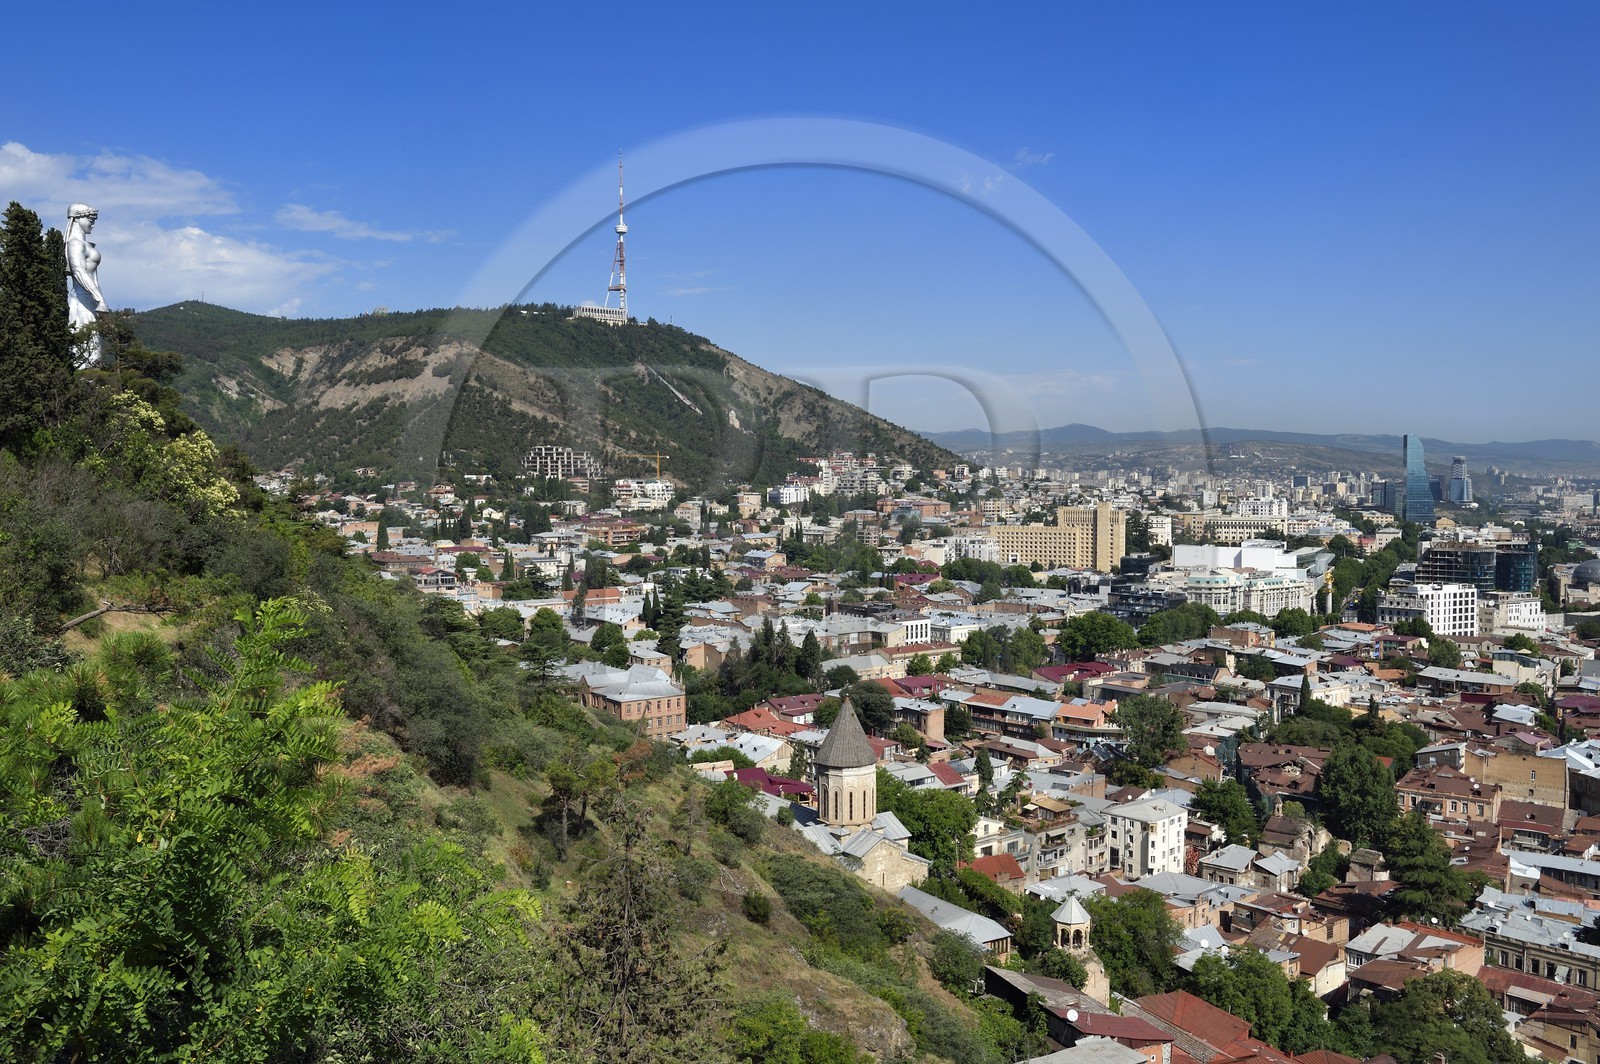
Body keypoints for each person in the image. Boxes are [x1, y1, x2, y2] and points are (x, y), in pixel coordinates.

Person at [65, 203, 107, 365]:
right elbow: (78, 271)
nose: (93, 223)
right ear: (77, 218)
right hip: (81, 300)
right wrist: (99, 299)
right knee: (86, 349)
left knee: (94, 348)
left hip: (89, 300)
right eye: (90, 218)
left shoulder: (86, 245)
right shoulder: (74, 243)